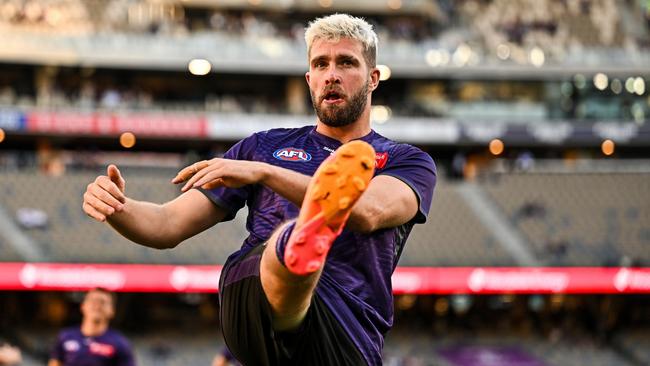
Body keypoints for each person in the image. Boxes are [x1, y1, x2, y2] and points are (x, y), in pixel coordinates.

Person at [81, 13, 436, 366]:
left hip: (346, 331)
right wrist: (118, 208)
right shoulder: (262, 147)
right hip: (252, 300)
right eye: (321, 64)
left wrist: (266, 174)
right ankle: (298, 245)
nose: (332, 74)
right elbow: (166, 225)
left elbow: (369, 212)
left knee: (298, 241)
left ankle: (300, 243)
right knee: (281, 248)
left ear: (373, 78)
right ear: (309, 79)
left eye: (346, 63)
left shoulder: (407, 161)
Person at [48, 288, 135, 366]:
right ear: (83, 306)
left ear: (112, 311)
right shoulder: (66, 336)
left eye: (103, 302)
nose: (97, 306)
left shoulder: (119, 343)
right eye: (93, 301)